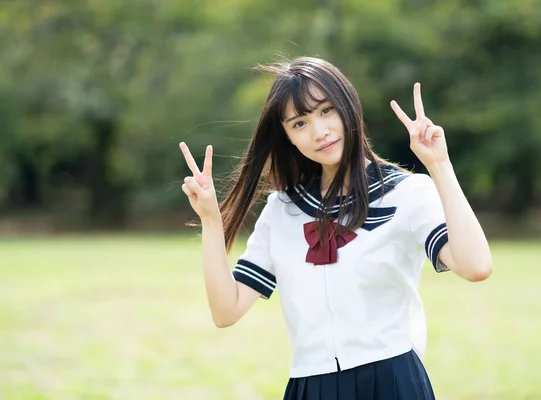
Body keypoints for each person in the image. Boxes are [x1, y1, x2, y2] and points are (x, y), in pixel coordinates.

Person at [179, 57, 493, 400]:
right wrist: (211, 220)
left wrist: (439, 165)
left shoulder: (406, 193)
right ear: (287, 137)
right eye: (300, 123)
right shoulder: (281, 211)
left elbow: (476, 266)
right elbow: (226, 311)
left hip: (392, 380)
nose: (319, 131)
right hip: (310, 385)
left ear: (348, 106)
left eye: (326, 111)